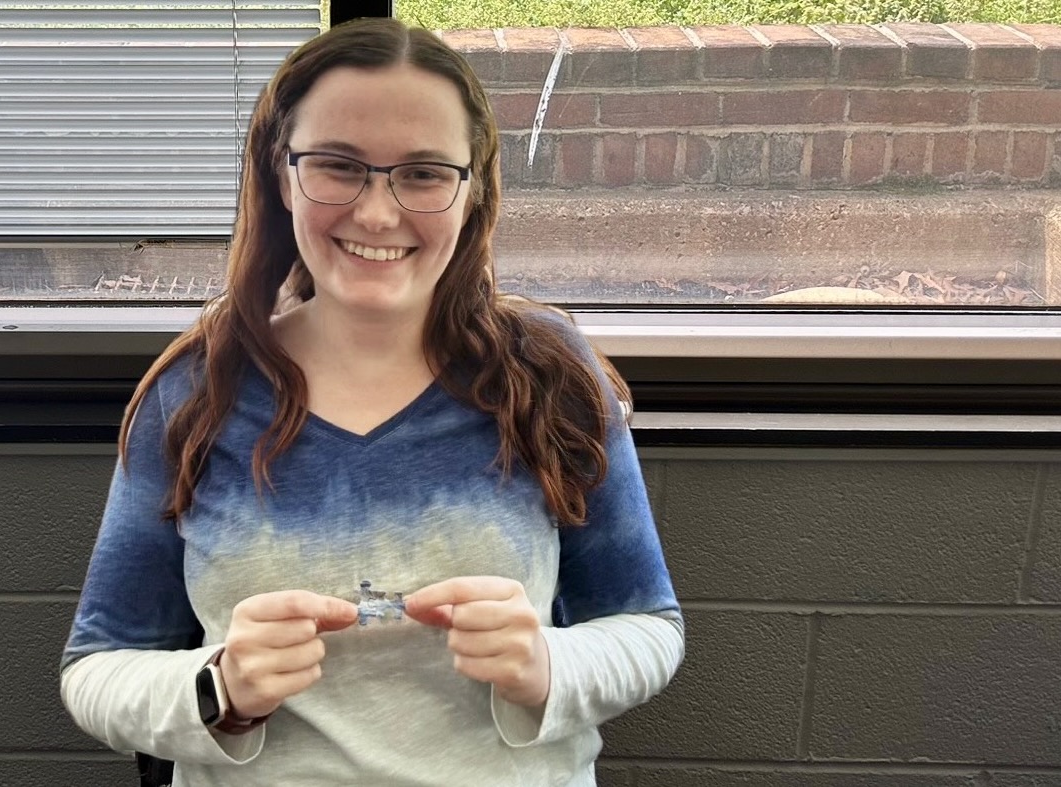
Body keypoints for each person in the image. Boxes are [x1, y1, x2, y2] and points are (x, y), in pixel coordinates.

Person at [60, 16, 683, 787]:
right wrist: (219, 687)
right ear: (282, 174)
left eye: (422, 173)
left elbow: (651, 627)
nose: (378, 213)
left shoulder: (549, 373)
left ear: (475, 187)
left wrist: (547, 663)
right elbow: (95, 667)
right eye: (338, 166)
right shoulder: (197, 390)